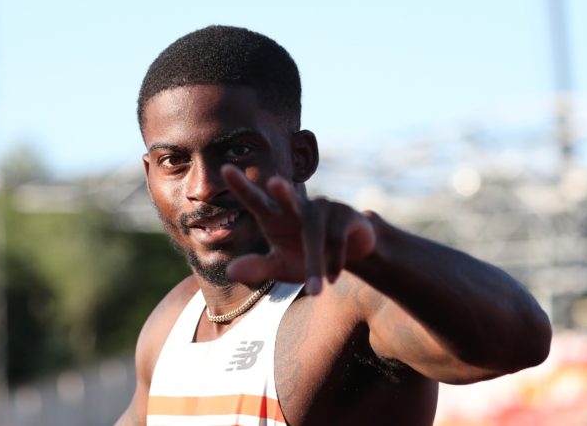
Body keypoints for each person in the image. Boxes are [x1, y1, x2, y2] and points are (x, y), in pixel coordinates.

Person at [116, 25, 551, 426]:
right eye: (174, 161)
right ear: (149, 172)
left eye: (237, 151)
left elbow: (522, 342)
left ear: (300, 156)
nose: (203, 188)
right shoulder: (169, 327)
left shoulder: (348, 299)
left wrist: (377, 249)